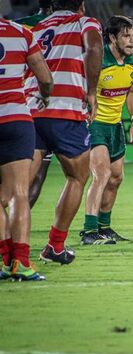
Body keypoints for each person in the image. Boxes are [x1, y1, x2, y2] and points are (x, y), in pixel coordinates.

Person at [28, 0, 103, 264]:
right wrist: (92, 92)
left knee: (15, 188)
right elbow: (93, 47)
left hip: (30, 111)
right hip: (66, 111)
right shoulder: (85, 22)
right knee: (77, 177)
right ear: (80, 5)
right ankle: (54, 246)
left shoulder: (36, 28)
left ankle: (9, 248)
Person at [81, 15, 133, 245]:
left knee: (116, 177)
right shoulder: (97, 60)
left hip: (115, 125)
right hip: (94, 124)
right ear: (112, 37)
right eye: (126, 36)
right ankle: (89, 232)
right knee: (102, 175)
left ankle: (104, 228)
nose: (132, 41)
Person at [0, 16, 53, 280]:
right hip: (15, 118)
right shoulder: (21, 32)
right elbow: (45, 78)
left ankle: (4, 260)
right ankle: (20, 261)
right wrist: (44, 95)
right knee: (18, 193)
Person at [14, 0, 54, 208]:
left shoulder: (19, 26)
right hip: (48, 105)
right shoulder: (68, 25)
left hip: (18, 103)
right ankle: (19, 224)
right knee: (38, 175)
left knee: (15, 175)